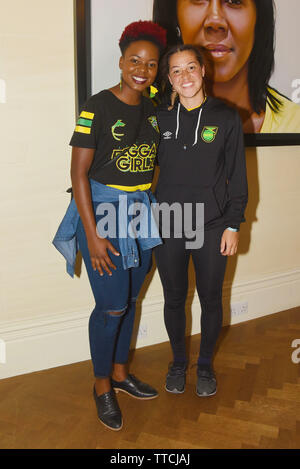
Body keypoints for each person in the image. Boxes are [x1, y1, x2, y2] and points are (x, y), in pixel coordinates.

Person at [53, 21, 167, 431]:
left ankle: (121, 374)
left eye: (151, 64)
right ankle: (101, 384)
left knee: (131, 300)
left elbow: (155, 165)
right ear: (121, 62)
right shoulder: (96, 106)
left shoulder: (155, 110)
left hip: (140, 214)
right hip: (102, 214)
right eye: (134, 60)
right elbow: (79, 173)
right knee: (112, 305)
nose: (142, 69)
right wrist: (93, 234)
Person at [154, 44, 248, 397]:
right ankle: (179, 361)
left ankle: (205, 364)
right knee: (174, 298)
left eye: (191, 68)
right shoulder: (158, 119)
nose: (185, 77)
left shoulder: (226, 117)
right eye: (176, 71)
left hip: (211, 225)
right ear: (169, 79)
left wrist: (233, 223)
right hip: (169, 223)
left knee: (210, 299)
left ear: (203, 71)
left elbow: (237, 176)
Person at [153, 0, 300, 133]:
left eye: (234, 1)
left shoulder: (295, 124)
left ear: (258, 17)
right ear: (174, 15)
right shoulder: (148, 119)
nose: (215, 21)